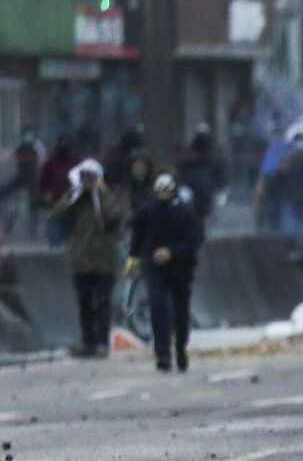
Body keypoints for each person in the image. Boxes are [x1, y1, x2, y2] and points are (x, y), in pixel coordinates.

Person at [128, 172, 204, 372]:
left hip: (181, 268)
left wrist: (172, 252)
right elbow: (138, 233)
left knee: (180, 310)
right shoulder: (148, 211)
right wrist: (133, 258)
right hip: (154, 266)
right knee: (158, 304)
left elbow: (194, 240)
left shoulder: (185, 214)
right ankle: (162, 352)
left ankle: (180, 346)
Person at [50, 159, 124, 358]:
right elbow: (57, 215)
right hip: (82, 259)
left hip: (104, 260)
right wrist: (72, 194)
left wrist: (102, 193)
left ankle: (101, 341)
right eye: (84, 178)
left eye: (91, 178)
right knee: (84, 302)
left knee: (102, 301)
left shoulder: (109, 197)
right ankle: (87, 340)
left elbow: (115, 216)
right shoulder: (77, 199)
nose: (87, 182)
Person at [175, 128, 227, 224]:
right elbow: (180, 172)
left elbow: (218, 175)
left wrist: (221, 188)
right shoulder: (188, 158)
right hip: (191, 190)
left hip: (205, 191)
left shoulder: (211, 158)